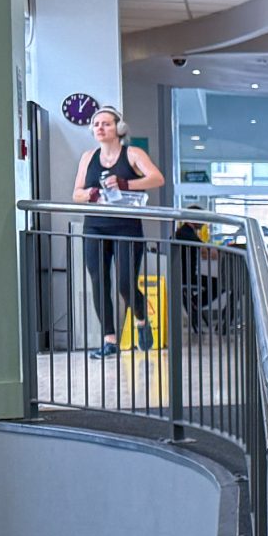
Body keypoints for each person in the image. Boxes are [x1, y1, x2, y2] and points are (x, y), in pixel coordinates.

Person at [74, 106, 163, 355]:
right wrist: (91, 194)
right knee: (98, 281)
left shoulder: (133, 153)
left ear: (118, 128)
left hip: (126, 226)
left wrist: (126, 183)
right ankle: (110, 340)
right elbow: (76, 193)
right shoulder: (87, 157)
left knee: (125, 283)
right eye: (96, 124)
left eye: (106, 124)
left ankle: (141, 319)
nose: (100, 128)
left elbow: (157, 178)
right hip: (95, 225)